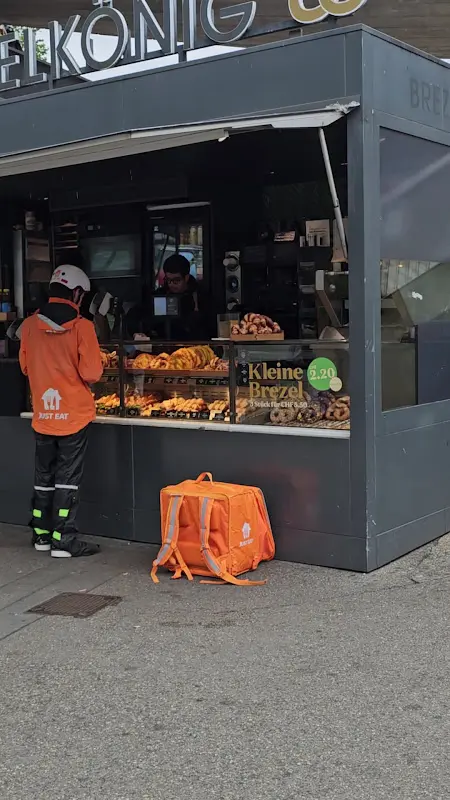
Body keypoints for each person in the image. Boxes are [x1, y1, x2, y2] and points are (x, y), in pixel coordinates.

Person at [19, 265, 103, 557]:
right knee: (68, 478)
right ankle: (64, 539)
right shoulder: (82, 327)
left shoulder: (29, 326)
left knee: (43, 476)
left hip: (43, 414)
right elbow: (92, 373)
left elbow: (26, 367)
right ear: (77, 293)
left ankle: (41, 535)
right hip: (74, 416)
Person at [125, 254, 209, 341]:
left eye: (176, 280)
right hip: (161, 345)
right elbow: (134, 315)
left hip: (194, 346)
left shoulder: (201, 297)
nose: (171, 284)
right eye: (168, 280)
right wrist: (136, 333)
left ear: (186, 277)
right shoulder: (158, 296)